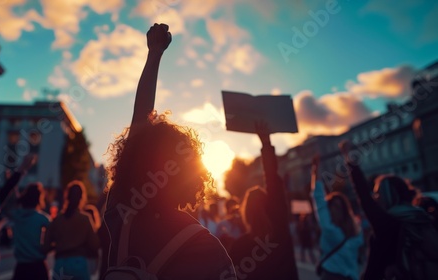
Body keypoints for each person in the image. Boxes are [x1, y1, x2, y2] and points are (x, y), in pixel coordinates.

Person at [104, 23, 236, 279]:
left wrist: (154, 54)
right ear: (191, 175)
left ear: (129, 164)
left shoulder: (122, 217)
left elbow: (139, 125)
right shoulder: (205, 245)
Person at [339, 140, 438, 279]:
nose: (375, 198)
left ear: (389, 196)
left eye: (378, 193)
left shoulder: (387, 223)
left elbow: (363, 194)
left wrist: (350, 157)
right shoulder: (421, 217)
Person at [229, 122, 298, 280]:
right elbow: (273, 179)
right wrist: (266, 143)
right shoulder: (279, 231)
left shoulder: (239, 247)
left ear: (246, 212)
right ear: (270, 205)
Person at [310, 156, 363, 280]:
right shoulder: (350, 232)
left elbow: (318, 198)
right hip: (341, 275)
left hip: (341, 275)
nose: (335, 210)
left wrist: (314, 171)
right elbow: (318, 198)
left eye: (338, 207)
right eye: (334, 207)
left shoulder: (350, 230)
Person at [43, 181, 99, 280]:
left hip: (60, 265)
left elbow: (46, 246)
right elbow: (94, 245)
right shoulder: (85, 219)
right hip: (79, 263)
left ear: (67, 197)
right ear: (82, 197)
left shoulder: (57, 220)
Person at [4, 182, 51, 280]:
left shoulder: (16, 215)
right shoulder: (43, 219)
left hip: (21, 267)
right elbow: (52, 239)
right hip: (38, 266)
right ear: (39, 198)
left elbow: (7, 206)